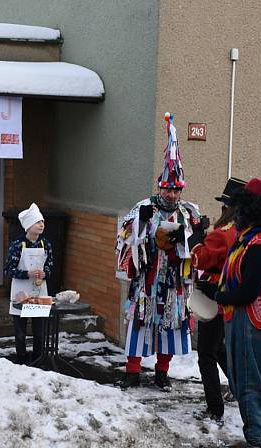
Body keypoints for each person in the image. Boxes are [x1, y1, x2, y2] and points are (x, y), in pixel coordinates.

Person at [197, 178, 261, 448]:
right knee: (256, 382)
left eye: (238, 208)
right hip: (246, 320)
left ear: (252, 210)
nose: (233, 213)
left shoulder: (260, 245)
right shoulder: (249, 238)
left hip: (251, 323)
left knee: (250, 383)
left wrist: (217, 294)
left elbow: (248, 291)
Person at [115, 113, 207, 391]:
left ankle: (162, 373)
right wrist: (144, 234)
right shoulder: (143, 207)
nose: (172, 195)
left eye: (177, 191)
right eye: (168, 190)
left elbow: (199, 245)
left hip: (175, 281)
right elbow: (125, 238)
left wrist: (187, 241)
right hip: (148, 278)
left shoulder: (189, 212)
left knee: (170, 324)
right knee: (140, 322)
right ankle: (132, 372)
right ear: (160, 187)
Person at [189, 178, 242, 424]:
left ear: (226, 208)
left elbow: (201, 259)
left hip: (214, 297)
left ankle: (214, 408)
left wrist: (196, 238)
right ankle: (240, 389)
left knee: (206, 355)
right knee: (218, 348)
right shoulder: (239, 231)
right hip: (229, 296)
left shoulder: (221, 234)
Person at [4, 203, 54, 366]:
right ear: (28, 226)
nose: (42, 225)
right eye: (38, 222)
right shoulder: (18, 244)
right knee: (20, 333)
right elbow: (8, 270)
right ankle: (21, 361)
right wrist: (27, 274)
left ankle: (38, 361)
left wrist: (45, 272)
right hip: (21, 293)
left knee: (39, 333)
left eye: (43, 222)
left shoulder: (45, 244)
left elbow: (50, 265)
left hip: (39, 292)